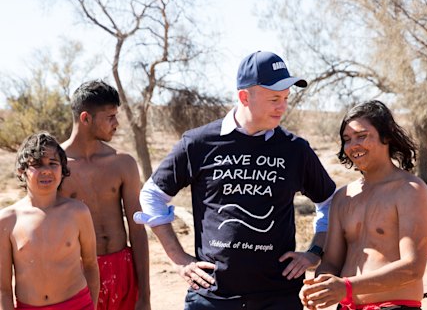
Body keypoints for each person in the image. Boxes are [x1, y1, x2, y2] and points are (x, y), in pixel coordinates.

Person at [133, 50, 336, 310]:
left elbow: (331, 202)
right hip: (211, 297)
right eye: (275, 98)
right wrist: (178, 258)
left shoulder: (295, 149)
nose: (282, 106)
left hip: (278, 297)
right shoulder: (198, 143)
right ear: (244, 97)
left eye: (286, 98)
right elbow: (152, 195)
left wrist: (314, 252)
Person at [299, 100, 427, 310]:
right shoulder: (343, 197)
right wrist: (320, 285)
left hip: (395, 306)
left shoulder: (410, 190)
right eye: (347, 139)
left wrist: (346, 287)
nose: (353, 146)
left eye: (362, 136)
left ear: (386, 136)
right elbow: (332, 262)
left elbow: (413, 267)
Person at [59, 80, 150, 310]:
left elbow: (137, 229)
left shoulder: (122, 163)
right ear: (85, 118)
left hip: (123, 268)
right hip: (78, 274)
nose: (116, 123)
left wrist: (145, 296)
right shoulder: (55, 168)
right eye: (110, 117)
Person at [0, 132, 100, 310]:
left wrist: (91, 305)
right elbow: (4, 288)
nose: (46, 170)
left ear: (63, 169)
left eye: (53, 164)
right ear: (21, 171)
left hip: (77, 304)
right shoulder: (7, 220)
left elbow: (91, 264)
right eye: (37, 164)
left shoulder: (77, 212)